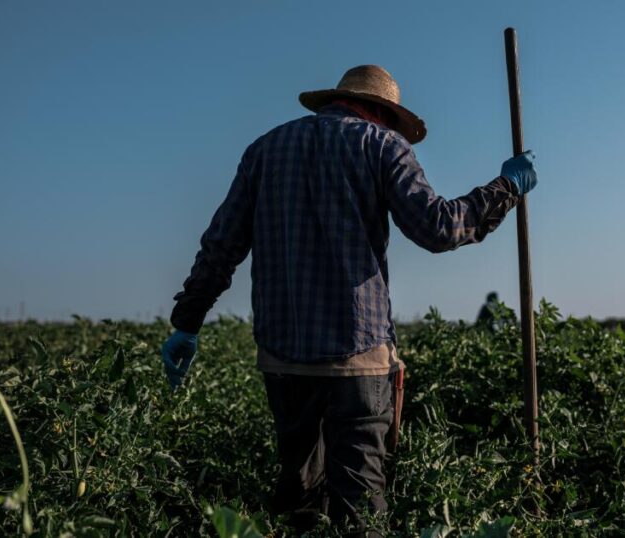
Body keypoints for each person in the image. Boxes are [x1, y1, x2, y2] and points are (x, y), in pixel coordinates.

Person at [161, 65, 537, 535]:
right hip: (357, 358)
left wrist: (187, 322)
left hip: (283, 360)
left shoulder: (264, 149)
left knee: (300, 502)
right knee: (359, 511)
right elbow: (438, 227)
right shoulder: (381, 146)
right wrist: (506, 189)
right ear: (382, 112)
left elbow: (222, 246)